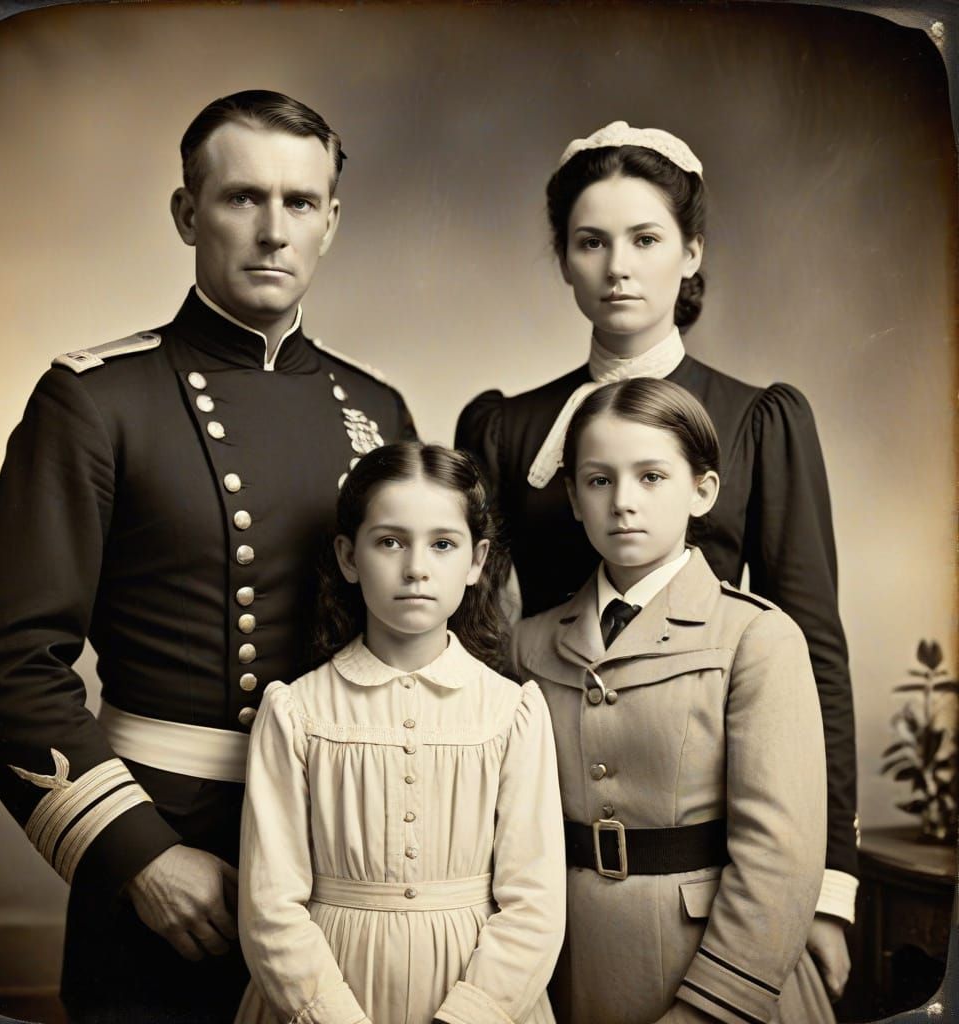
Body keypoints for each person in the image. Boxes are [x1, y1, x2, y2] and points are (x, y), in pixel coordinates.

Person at [0, 90, 415, 1024]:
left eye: (300, 203)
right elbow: (4, 663)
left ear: (331, 221)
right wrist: (138, 856)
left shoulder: (379, 411)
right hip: (172, 844)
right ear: (186, 213)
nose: (274, 231)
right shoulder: (96, 399)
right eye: (244, 198)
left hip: (345, 856)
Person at [455, 120, 857, 995]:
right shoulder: (508, 428)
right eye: (590, 242)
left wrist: (828, 887)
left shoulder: (757, 419)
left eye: (646, 239)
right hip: (553, 835)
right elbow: (478, 638)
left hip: (709, 820)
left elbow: (812, 649)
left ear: (691, 252)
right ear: (564, 260)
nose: (618, 267)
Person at [514, 377, 834, 1024]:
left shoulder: (755, 637)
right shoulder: (530, 643)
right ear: (574, 498)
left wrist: (713, 1007)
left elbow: (780, 856)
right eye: (600, 481)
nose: (623, 502)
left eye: (652, 477)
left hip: (719, 970)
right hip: (567, 971)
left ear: (703, 490)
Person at [235, 441, 566, 1024]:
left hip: (479, 987)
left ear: (475, 561)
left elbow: (535, 905)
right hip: (329, 982)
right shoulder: (295, 712)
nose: (416, 567)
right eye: (390, 541)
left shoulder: (511, 712)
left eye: (443, 544)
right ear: (348, 556)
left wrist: (472, 1014)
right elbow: (270, 905)